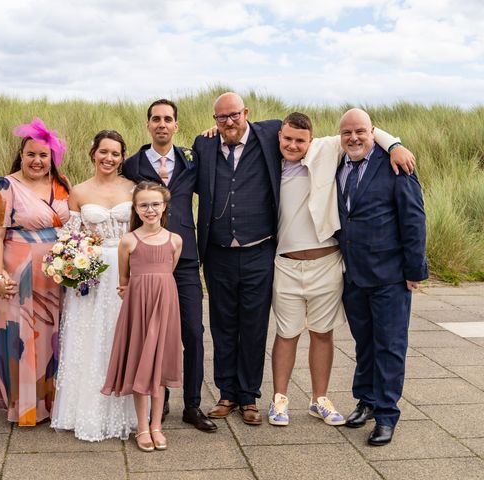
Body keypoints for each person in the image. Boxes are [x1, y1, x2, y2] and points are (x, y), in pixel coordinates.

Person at [266, 112, 415, 428]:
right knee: (286, 333)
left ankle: (320, 400)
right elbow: (239, 129)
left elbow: (363, 132)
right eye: (287, 138)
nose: (293, 145)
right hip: (286, 264)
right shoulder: (268, 158)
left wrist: (396, 145)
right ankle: (279, 400)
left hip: (328, 262)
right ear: (279, 136)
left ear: (312, 139)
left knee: (323, 333)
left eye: (300, 140)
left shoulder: (327, 149)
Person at [122, 99, 216, 432]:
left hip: (185, 257)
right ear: (148, 124)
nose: (162, 124)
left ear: (176, 125)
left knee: (193, 331)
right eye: (156, 119)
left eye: (168, 119)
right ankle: (157, 404)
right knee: (152, 334)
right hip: (148, 260)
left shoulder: (192, 159)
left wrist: (213, 131)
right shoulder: (131, 165)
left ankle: (192, 405)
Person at [335, 108, 427, 446]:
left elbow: (414, 218)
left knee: (390, 346)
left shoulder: (395, 165)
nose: (354, 138)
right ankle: (367, 401)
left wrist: (414, 270)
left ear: (373, 132)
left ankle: (387, 415)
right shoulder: (339, 165)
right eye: (347, 133)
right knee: (365, 344)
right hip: (354, 276)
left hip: (390, 276)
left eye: (360, 131)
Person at [193, 92, 281, 426]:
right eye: (221, 117)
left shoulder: (270, 135)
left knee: (255, 326)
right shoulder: (204, 145)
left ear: (246, 112)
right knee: (223, 324)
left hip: (260, 250)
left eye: (234, 115)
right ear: (213, 120)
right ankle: (226, 393)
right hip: (218, 254)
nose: (229, 122)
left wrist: (392, 144)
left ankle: (249, 397)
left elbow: (316, 137)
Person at [0, 118, 70, 426]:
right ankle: (23, 406)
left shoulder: (61, 185)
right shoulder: (5, 186)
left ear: (52, 159)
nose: (37, 160)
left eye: (43, 156)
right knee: (21, 336)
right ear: (22, 155)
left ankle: (50, 402)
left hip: (56, 275)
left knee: (51, 336)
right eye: (31, 154)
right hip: (17, 272)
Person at [51, 130, 137, 441]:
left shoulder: (133, 188)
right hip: (93, 272)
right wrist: (73, 263)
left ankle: (125, 410)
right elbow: (70, 237)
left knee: (120, 335)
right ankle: (86, 411)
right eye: (104, 152)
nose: (109, 158)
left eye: (115, 153)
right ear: (93, 154)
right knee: (89, 338)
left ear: (122, 157)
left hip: (127, 268)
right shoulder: (79, 191)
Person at [102, 181, 183, 452]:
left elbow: (169, 270)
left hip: (166, 304)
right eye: (144, 205)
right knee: (141, 360)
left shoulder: (174, 240)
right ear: (136, 208)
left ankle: (157, 424)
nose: (150, 210)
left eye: (155, 204)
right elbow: (124, 279)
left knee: (159, 364)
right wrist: (133, 292)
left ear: (164, 206)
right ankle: (142, 426)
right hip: (139, 306)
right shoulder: (128, 240)